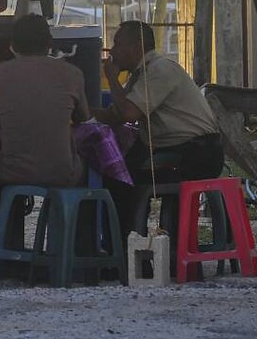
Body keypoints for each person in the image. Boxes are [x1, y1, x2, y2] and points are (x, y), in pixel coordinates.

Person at [94, 20, 224, 235]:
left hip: (196, 154)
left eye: (118, 44)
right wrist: (78, 111)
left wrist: (112, 79)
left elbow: (126, 113)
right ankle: (123, 248)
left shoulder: (159, 70)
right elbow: (114, 115)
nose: (113, 51)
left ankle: (127, 249)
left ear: (136, 47)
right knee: (119, 170)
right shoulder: (141, 74)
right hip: (177, 149)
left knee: (121, 179)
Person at [0, 13, 90, 195]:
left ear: (12, 45)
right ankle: (73, 220)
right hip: (63, 172)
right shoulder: (72, 73)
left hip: (10, 171)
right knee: (90, 165)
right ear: (50, 43)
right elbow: (83, 116)